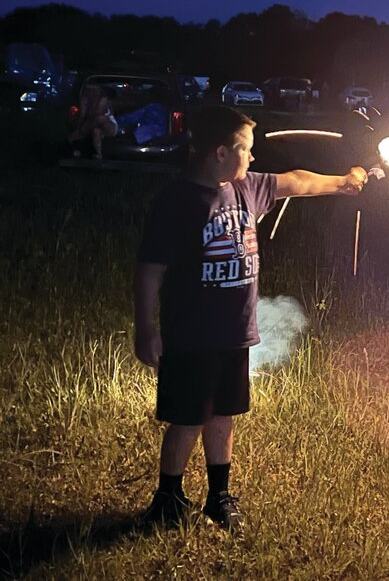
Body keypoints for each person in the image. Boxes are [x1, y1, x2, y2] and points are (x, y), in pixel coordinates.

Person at [134, 105, 367, 531]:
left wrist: (341, 183)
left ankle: (218, 497)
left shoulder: (247, 187)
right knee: (187, 419)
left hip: (234, 334)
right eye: (247, 150)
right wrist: (146, 329)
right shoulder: (177, 202)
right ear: (221, 152)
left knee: (224, 416)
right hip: (190, 337)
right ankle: (167, 497)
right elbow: (150, 271)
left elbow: (296, 181)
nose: (254, 158)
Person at [69, 84, 118, 158]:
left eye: (95, 90)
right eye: (90, 90)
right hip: (92, 126)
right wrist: (77, 128)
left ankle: (80, 135)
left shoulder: (103, 99)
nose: (93, 92)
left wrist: (82, 131)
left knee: (100, 118)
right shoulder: (85, 100)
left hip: (109, 126)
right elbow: (82, 116)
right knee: (96, 131)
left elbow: (97, 114)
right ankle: (98, 154)